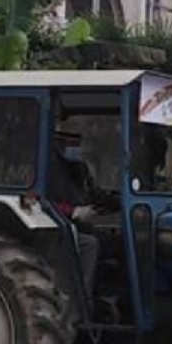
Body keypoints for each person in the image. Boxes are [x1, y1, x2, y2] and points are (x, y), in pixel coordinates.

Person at [47, 129, 103, 303]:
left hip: (76, 222)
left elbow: (92, 192)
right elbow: (45, 200)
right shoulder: (47, 167)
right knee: (90, 245)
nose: (72, 146)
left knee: (106, 238)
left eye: (75, 141)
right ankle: (79, 303)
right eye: (66, 141)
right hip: (54, 225)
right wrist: (74, 212)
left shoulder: (77, 168)